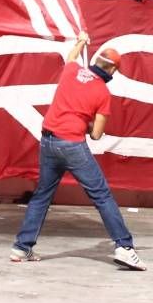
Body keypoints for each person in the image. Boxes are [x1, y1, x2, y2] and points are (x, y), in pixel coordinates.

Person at [10, 33, 144, 269]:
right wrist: (87, 122)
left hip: (48, 142)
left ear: (96, 61)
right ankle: (124, 247)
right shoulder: (102, 93)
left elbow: (72, 56)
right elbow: (96, 135)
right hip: (72, 145)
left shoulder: (71, 71)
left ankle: (22, 248)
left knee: (42, 196)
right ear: (113, 71)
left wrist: (82, 40)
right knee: (101, 196)